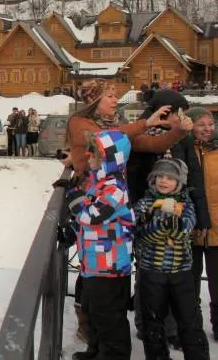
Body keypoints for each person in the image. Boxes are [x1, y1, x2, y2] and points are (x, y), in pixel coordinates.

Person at [62, 79, 183, 344]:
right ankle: (88, 325)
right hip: (90, 200)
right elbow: (103, 140)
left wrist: (177, 131)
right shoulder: (79, 122)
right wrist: (145, 123)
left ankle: (104, 334)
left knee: (106, 267)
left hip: (110, 203)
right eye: (109, 96)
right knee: (89, 267)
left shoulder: (117, 125)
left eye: (115, 95)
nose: (116, 100)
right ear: (94, 100)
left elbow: (150, 145)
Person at [134, 157, 209, 359]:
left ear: (179, 182)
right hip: (151, 272)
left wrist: (168, 222)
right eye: (159, 176)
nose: (163, 181)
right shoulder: (144, 203)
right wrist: (161, 222)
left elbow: (185, 231)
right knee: (152, 321)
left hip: (181, 272)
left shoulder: (186, 203)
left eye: (169, 177)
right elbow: (143, 235)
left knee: (189, 320)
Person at [68, 130, 134, 360]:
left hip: (111, 266)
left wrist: (73, 199)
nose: (88, 155)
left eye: (94, 152)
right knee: (94, 311)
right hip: (95, 263)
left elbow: (91, 216)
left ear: (111, 158)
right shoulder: (100, 183)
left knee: (109, 317)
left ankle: (114, 355)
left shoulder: (115, 187)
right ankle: (96, 350)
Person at [187, 106, 218, 338]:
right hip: (192, 228)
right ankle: (191, 326)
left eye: (210, 124)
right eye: (201, 125)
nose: (207, 129)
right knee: (190, 283)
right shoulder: (184, 150)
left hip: (217, 226)